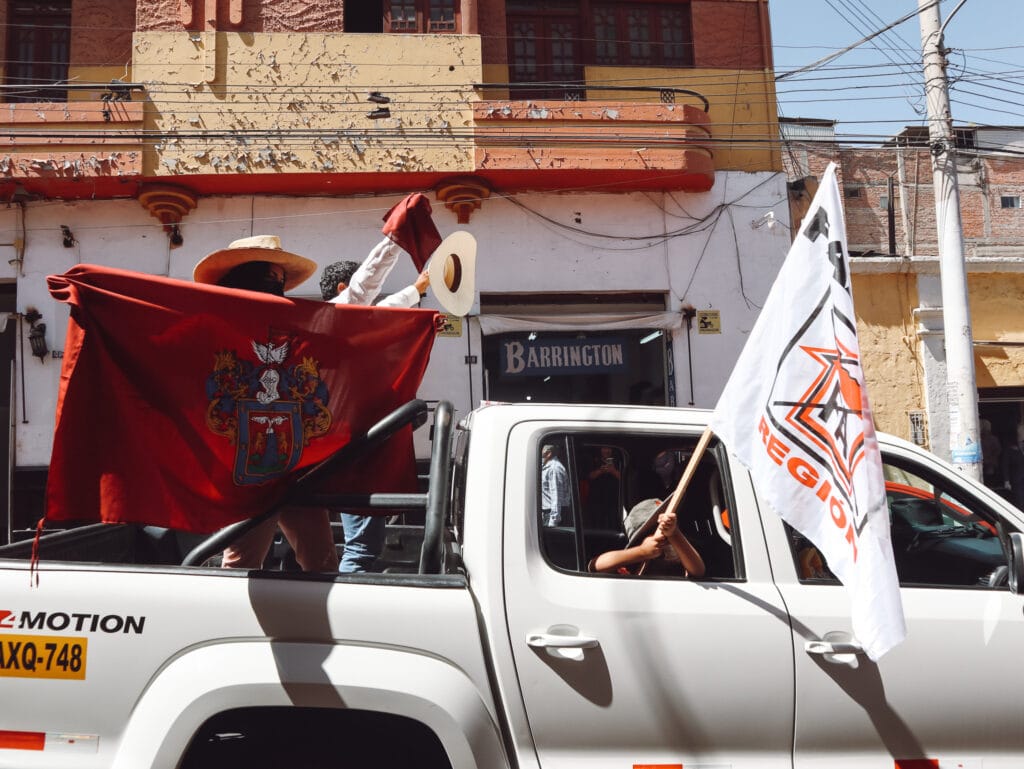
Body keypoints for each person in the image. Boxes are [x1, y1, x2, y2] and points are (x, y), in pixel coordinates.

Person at [192, 234, 340, 572]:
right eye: (267, 276)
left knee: (323, 562)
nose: (276, 285)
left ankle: (320, 625)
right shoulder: (211, 325)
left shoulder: (296, 325)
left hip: (298, 463)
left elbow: (347, 321)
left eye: (279, 279)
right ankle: (228, 625)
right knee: (241, 563)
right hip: (243, 464)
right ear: (243, 276)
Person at [317, 194, 442, 573]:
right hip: (353, 450)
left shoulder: (344, 331)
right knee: (360, 550)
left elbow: (380, 310)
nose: (370, 302)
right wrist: (394, 240)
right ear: (343, 288)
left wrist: (416, 293)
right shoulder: (340, 319)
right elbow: (365, 289)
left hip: (349, 448)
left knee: (329, 551)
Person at [589, 498, 705, 577]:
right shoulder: (632, 565)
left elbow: (698, 571)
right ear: (640, 539)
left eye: (668, 526)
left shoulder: (682, 558)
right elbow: (596, 566)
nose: (664, 536)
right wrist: (642, 552)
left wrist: (674, 534)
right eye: (657, 529)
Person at [541, 444, 570, 527]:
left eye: (541, 452)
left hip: (554, 514)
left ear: (548, 453)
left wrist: (553, 521)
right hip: (548, 513)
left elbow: (556, 496)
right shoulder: (546, 466)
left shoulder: (554, 469)